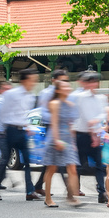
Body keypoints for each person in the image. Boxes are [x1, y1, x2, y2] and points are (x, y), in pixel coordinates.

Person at [0, 69, 39, 201]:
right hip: (9, 131)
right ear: (24, 80)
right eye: (32, 80)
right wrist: (2, 131)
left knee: (28, 161)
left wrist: (27, 126)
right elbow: (3, 113)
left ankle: (30, 191)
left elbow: (24, 114)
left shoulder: (30, 96)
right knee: (5, 160)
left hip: (22, 131)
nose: (34, 83)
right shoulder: (11, 94)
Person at [42, 78, 81, 208]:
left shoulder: (71, 105)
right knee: (52, 169)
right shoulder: (54, 103)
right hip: (55, 139)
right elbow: (54, 123)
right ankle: (48, 198)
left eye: (68, 87)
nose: (67, 89)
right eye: (64, 87)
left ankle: (72, 197)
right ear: (58, 90)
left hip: (68, 140)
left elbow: (70, 124)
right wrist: (56, 139)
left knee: (73, 169)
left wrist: (73, 142)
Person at [72, 71, 108, 203]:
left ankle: (102, 192)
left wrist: (96, 132)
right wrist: (94, 132)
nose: (93, 84)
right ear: (85, 84)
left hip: (95, 134)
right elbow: (87, 117)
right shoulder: (80, 97)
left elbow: (102, 114)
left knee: (99, 165)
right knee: (80, 165)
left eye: (95, 82)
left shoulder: (101, 99)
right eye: (90, 82)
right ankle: (75, 190)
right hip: (81, 135)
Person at [34, 69, 71, 197]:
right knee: (56, 162)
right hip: (52, 127)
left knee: (52, 163)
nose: (64, 83)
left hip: (63, 129)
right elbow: (43, 112)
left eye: (66, 80)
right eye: (61, 80)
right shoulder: (46, 93)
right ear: (53, 80)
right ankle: (69, 189)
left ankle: (38, 186)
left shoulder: (64, 93)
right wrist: (56, 117)